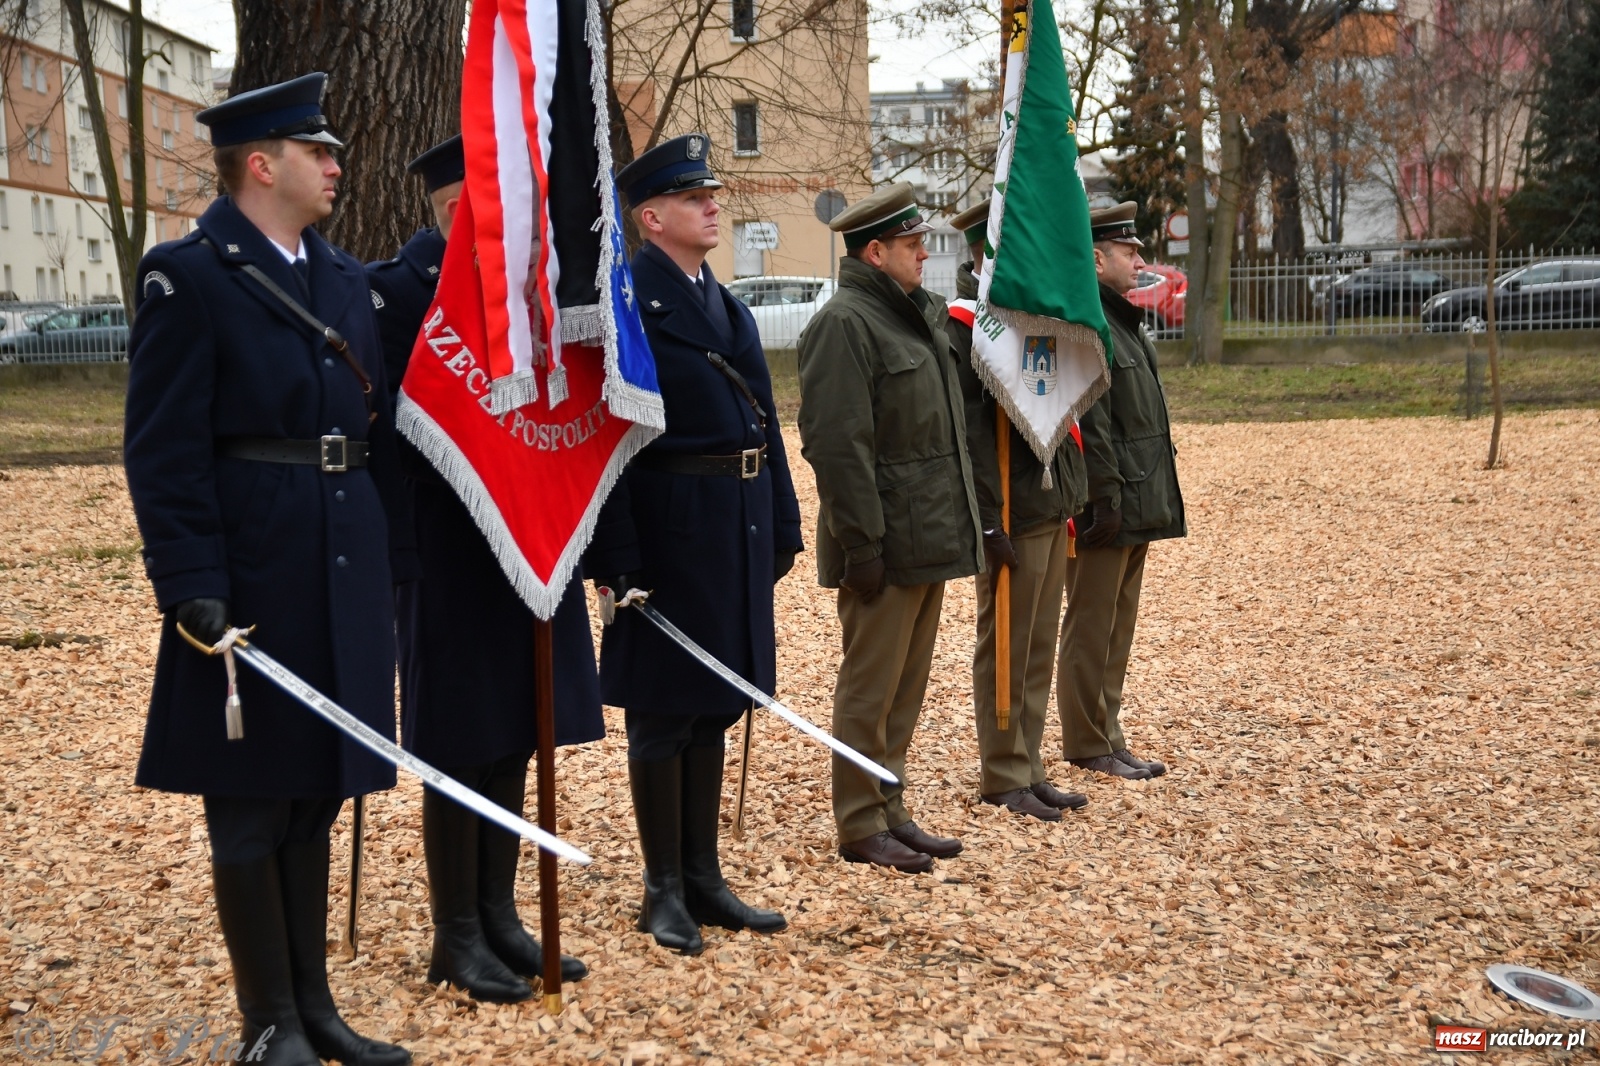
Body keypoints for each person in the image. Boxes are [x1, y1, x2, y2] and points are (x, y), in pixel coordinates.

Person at [123, 73, 415, 1066]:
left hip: (343, 554)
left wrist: (393, 559)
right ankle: (269, 1023)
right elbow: (164, 450)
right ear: (260, 164)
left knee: (318, 791)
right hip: (254, 566)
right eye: (316, 151)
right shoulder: (190, 276)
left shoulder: (342, 280)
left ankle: (315, 1009)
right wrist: (190, 582)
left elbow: (375, 433)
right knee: (252, 802)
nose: (335, 166)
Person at [365, 135, 602, 1003]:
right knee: (460, 739)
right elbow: (389, 433)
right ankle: (455, 933)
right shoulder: (397, 293)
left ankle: (498, 914)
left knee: (514, 734)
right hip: (450, 547)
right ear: (450, 207)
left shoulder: (532, 291)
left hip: (529, 538)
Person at [586, 133, 803, 955]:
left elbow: (764, 423)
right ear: (651, 218)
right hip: (668, 528)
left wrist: (782, 521)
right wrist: (618, 558)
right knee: (664, 714)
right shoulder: (628, 305)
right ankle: (663, 888)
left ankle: (704, 877)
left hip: (733, 522)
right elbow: (607, 442)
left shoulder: (726, 303)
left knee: (715, 705)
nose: (713, 206)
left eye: (711, 194)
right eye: (692, 197)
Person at [796, 182, 983, 874]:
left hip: (927, 534)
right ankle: (858, 820)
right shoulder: (845, 324)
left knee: (905, 687)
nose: (924, 254)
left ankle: (889, 806)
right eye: (911, 244)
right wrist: (862, 543)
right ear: (874, 252)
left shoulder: (915, 317)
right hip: (884, 541)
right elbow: (838, 445)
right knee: (870, 688)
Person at [945, 199, 1090, 823]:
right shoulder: (964, 327)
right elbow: (972, 438)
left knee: (1035, 644)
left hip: (1046, 501)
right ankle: (1003, 770)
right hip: (1011, 508)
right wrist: (986, 517)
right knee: (1006, 639)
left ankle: (1029, 764)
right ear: (991, 252)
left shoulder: (1035, 317)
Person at [1058, 201, 1186, 782]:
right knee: (1091, 625)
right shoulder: (1090, 327)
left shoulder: (1123, 325)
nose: (1139, 261)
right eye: (1128, 251)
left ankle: (1108, 733)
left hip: (1135, 498)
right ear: (1095, 258)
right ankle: (1087, 740)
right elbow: (1092, 421)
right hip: (1110, 502)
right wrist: (1103, 496)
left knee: (1117, 624)